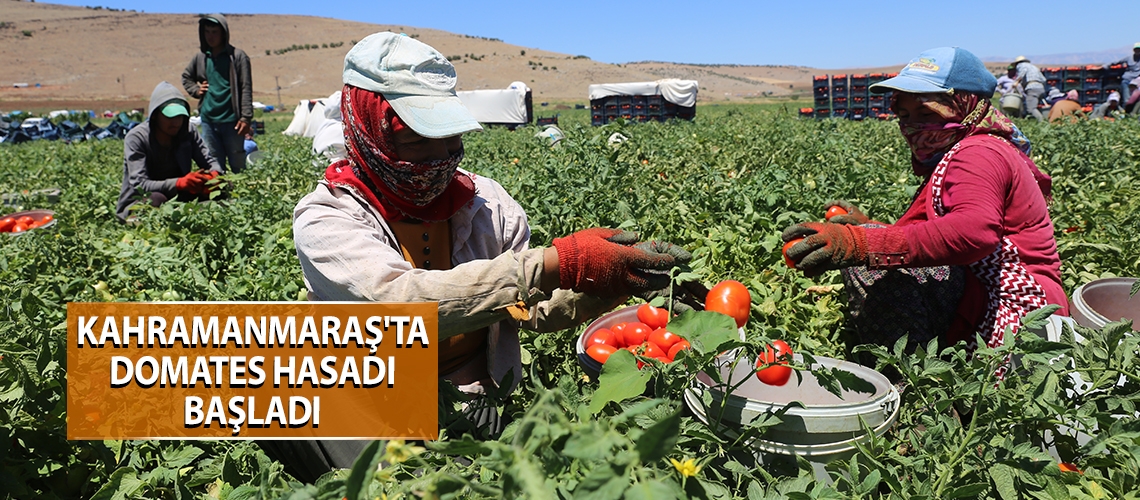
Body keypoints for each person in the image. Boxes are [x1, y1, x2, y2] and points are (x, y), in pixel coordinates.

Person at [263, 32, 698, 483]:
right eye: (417, 141)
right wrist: (557, 262)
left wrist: (602, 290)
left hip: (473, 395)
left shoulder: (486, 202)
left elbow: (525, 310)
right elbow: (396, 306)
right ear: (368, 129)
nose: (439, 158)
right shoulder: (328, 216)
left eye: (450, 140)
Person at [782, 47, 1068, 368]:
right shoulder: (964, 147)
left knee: (870, 263)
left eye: (927, 114)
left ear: (964, 105)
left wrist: (862, 242)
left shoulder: (977, 154)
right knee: (874, 242)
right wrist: (867, 228)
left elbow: (974, 232)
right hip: (981, 286)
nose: (914, 126)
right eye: (905, 115)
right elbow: (929, 233)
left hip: (1018, 307)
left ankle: (916, 388)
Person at [115, 81, 223, 222]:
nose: (176, 122)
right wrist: (178, 183)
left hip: (179, 194)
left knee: (223, 186)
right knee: (155, 198)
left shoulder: (188, 132)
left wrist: (214, 176)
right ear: (154, 115)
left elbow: (210, 162)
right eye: (169, 117)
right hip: (142, 199)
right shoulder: (137, 137)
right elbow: (139, 184)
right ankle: (135, 220)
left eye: (180, 116)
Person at [182, 14, 253, 173]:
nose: (210, 36)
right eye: (207, 31)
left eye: (214, 32)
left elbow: (246, 87)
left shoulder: (237, 57)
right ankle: (220, 196)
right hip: (208, 120)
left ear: (223, 33)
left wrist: (246, 117)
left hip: (232, 120)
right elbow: (186, 77)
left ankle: (240, 195)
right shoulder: (201, 57)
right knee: (213, 162)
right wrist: (196, 90)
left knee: (237, 162)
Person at [1014, 56, 1047, 121]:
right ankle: (1043, 118)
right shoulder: (1034, 67)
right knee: (1039, 106)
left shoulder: (1021, 65)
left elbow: (1023, 72)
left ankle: (1042, 123)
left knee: (1031, 108)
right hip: (1041, 88)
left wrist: (1016, 81)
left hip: (1032, 88)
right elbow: (1044, 79)